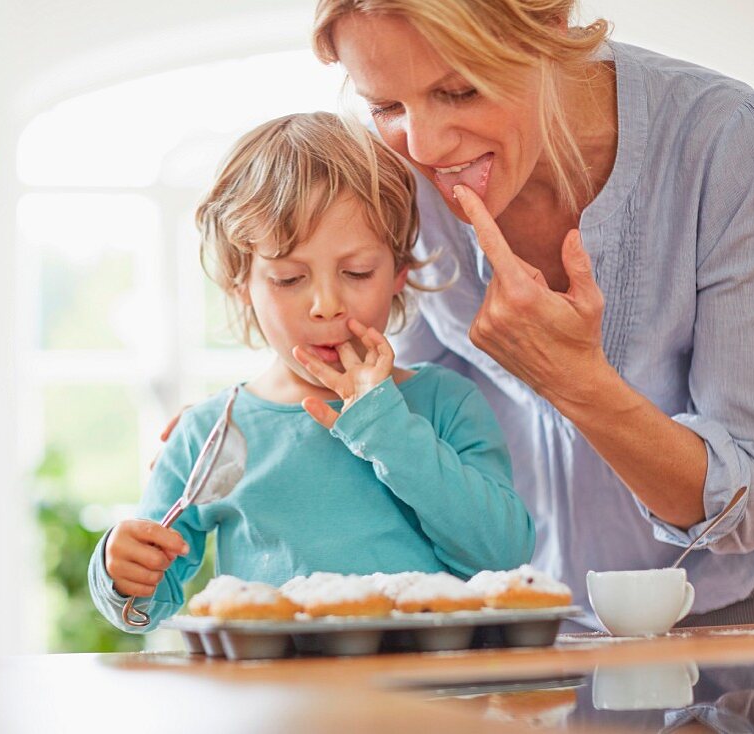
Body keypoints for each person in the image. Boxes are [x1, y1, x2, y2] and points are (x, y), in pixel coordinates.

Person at [310, 0, 754, 628]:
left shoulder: (728, 138)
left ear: (549, 27)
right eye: (385, 106)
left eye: (459, 91)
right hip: (544, 591)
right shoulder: (390, 166)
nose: (424, 145)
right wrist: (242, 421)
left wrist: (576, 381)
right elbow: (395, 385)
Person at [88, 111, 534, 632]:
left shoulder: (445, 404)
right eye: (288, 277)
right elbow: (146, 607)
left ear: (398, 276)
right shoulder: (208, 434)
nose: (325, 303)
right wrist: (119, 571)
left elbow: (500, 556)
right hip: (277, 707)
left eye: (357, 272)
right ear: (242, 287)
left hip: (428, 701)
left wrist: (385, 428)